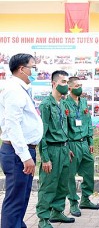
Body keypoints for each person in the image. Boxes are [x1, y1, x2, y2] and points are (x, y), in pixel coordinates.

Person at [0, 53, 43, 228]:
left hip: (22, 151)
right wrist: (25, 156)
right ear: (21, 69)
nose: (36, 71)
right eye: (33, 67)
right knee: (15, 200)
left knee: (22, 198)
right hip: (18, 152)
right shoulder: (13, 90)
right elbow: (12, 126)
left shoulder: (20, 89)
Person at [36, 70, 75, 228]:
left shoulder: (64, 103)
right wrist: (45, 158)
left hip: (64, 149)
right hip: (52, 150)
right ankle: (43, 219)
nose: (67, 86)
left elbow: (65, 128)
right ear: (54, 84)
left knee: (62, 184)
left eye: (67, 82)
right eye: (63, 82)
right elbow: (42, 134)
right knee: (48, 185)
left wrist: (68, 148)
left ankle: (57, 211)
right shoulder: (46, 104)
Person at [66, 76, 99, 217]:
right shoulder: (64, 103)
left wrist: (90, 142)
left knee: (88, 171)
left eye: (81, 84)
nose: (80, 87)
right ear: (70, 88)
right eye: (77, 85)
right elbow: (63, 127)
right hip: (72, 144)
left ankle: (85, 199)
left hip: (84, 143)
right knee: (70, 175)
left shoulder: (84, 102)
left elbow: (88, 122)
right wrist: (66, 147)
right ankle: (73, 203)